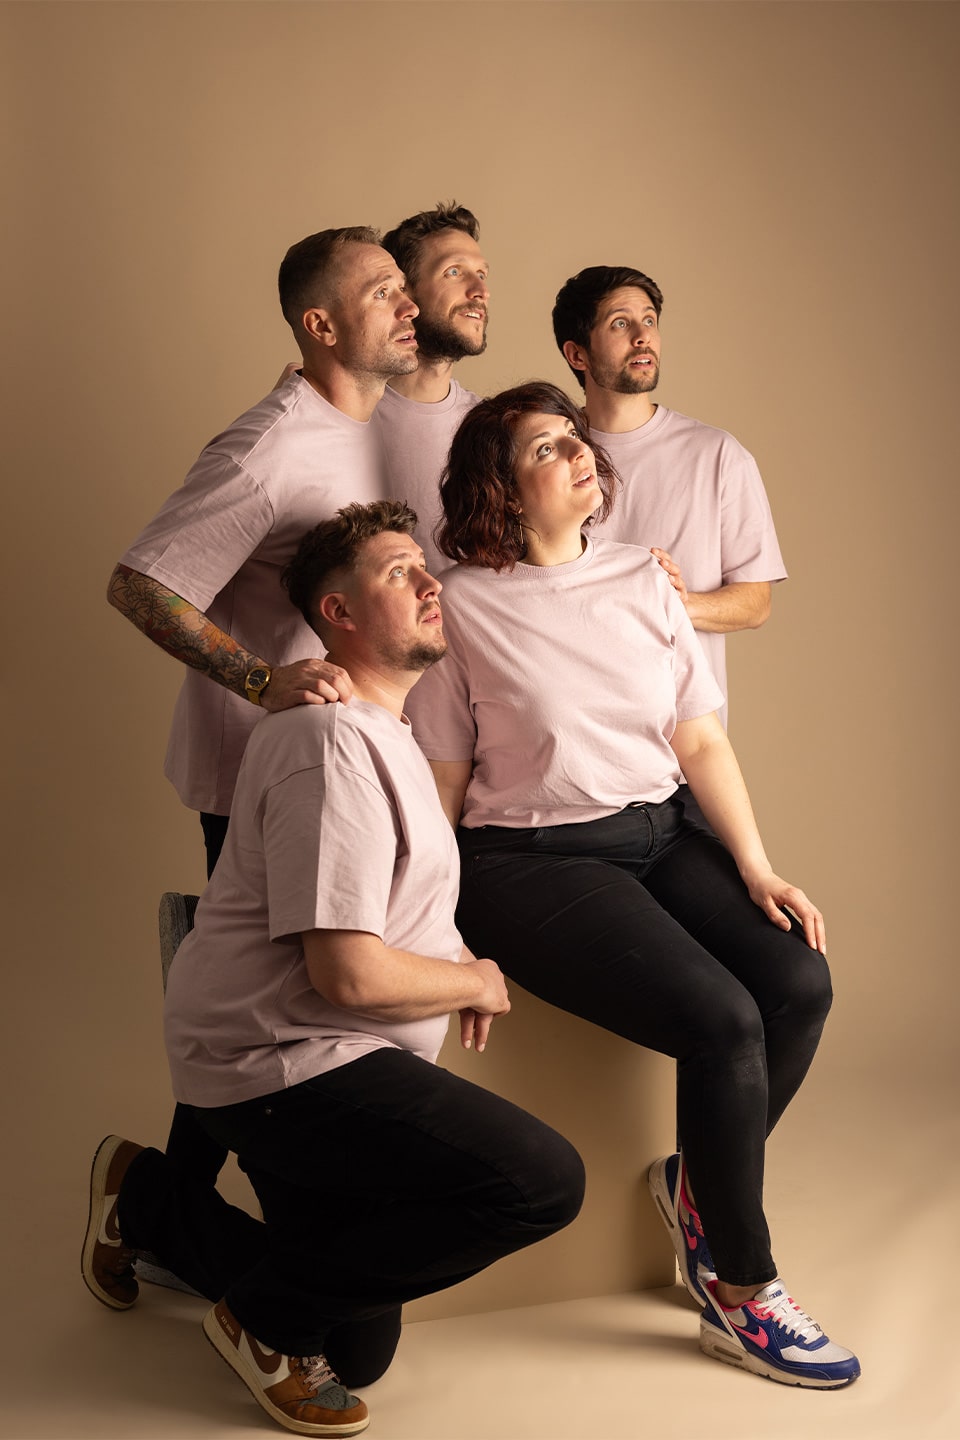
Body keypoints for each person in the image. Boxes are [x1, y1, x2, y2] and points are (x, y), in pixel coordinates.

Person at [83, 500, 585, 1437]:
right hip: (282, 1061)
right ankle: (260, 1321)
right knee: (541, 1181)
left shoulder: (386, 736)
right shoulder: (330, 745)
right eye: (400, 572)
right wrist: (477, 981)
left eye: (423, 567)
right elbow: (346, 976)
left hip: (338, 1051)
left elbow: (390, 908)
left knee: (357, 1351)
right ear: (338, 614)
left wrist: (452, 958)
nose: (431, 582)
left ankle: (146, 1199)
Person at [405, 382, 859, 1390]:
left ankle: (696, 1186)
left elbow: (699, 738)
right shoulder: (462, 605)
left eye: (575, 438)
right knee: (724, 1022)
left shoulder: (643, 578)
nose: (577, 453)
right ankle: (741, 1289)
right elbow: (442, 778)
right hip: (532, 859)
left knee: (800, 984)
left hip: (662, 831)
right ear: (500, 489)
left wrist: (755, 863)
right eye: (544, 448)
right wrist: (436, 928)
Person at [105, 225, 417, 1289]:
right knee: (266, 1027)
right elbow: (142, 583)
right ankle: (229, 1248)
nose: (407, 304)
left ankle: (151, 1206)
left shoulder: (386, 429)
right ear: (321, 326)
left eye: (406, 286)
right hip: (258, 778)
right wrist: (260, 679)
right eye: (382, 292)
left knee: (273, 1019)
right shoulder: (271, 445)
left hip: (352, 767)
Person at [551, 265, 786, 731]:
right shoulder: (546, 457)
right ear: (577, 354)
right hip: (573, 734)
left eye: (650, 320)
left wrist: (676, 602)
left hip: (684, 746)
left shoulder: (718, 455)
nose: (642, 337)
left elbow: (756, 602)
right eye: (620, 323)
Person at [376, 202, 489, 573]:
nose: (480, 290)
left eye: (482, 275)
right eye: (454, 272)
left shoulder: (491, 430)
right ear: (404, 291)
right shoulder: (338, 413)